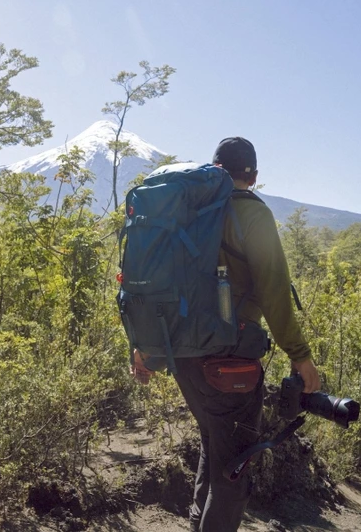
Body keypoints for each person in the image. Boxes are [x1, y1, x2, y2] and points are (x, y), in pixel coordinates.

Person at [131, 137, 320, 532]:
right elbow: (274, 289)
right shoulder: (252, 213)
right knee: (233, 473)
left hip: (182, 354)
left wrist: (144, 346)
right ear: (254, 176)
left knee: (216, 449)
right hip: (227, 360)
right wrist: (300, 356)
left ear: (214, 169)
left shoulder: (187, 209)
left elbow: (148, 281)